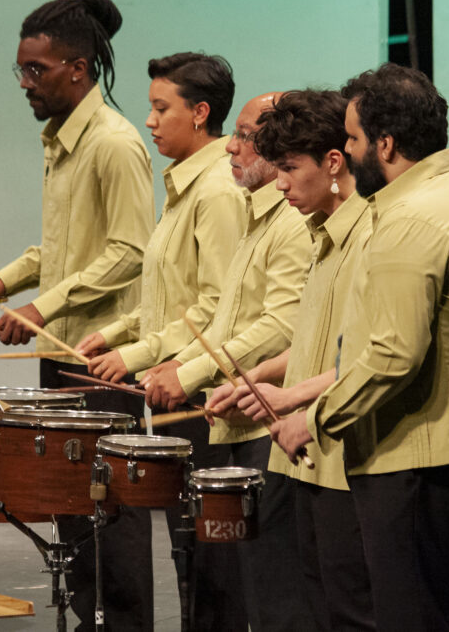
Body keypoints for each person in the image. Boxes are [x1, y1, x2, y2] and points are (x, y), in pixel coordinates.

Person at [264, 63, 449, 631]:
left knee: (414, 616)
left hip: (425, 454)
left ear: (384, 144)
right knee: (437, 609)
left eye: (354, 139)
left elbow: (392, 357)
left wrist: (312, 419)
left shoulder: (412, 218)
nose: (348, 149)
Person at [0, 0, 155, 631]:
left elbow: (130, 253)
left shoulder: (115, 144)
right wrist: (5, 279)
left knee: (112, 523)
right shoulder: (61, 140)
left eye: (35, 71)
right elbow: (65, 247)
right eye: (20, 70)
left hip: (100, 362)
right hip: (60, 358)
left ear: (78, 68)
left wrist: (40, 306)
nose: (24, 83)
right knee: (75, 518)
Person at [75, 52, 248, 630]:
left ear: (201, 113)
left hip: (203, 390)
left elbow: (217, 305)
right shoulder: (184, 186)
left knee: (211, 564)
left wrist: (137, 355)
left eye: (160, 107)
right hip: (174, 385)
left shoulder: (218, 190)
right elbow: (168, 294)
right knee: (189, 553)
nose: (148, 120)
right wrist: (117, 333)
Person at [134, 92, 314, 630]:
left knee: (261, 588)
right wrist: (173, 365)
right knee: (216, 582)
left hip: (263, 423)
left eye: (245, 137)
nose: (231, 147)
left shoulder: (290, 223)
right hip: (229, 414)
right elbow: (221, 323)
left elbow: (281, 327)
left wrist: (188, 372)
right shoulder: (254, 215)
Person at [208, 89, 375, 631]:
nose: (279, 183)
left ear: (332, 163)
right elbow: (313, 338)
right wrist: (259, 374)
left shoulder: (371, 234)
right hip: (300, 452)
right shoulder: (319, 231)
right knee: (299, 603)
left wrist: (294, 396)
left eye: (288, 168)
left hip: (343, 452)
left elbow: (367, 357)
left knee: (347, 610)